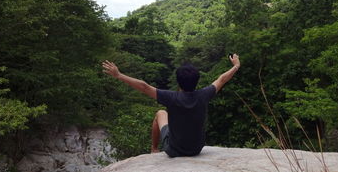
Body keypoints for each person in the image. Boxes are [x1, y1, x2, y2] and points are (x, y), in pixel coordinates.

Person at [102, 54, 240, 157]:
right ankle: (155, 149)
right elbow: (222, 79)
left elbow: (144, 87)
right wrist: (236, 66)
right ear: (197, 80)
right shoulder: (204, 94)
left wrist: (119, 75)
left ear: (178, 81)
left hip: (174, 150)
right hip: (196, 149)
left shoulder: (171, 97)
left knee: (160, 114)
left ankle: (154, 149)